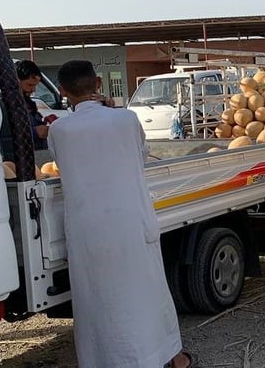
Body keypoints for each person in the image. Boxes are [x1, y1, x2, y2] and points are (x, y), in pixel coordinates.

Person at [47, 60, 193, 368]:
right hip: (131, 222)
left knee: (97, 300)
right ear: (98, 84)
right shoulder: (126, 119)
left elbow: (62, 165)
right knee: (146, 292)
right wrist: (110, 107)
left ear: (62, 91)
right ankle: (170, 358)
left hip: (89, 230)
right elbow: (139, 155)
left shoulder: (59, 130)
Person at [15, 59, 51, 150]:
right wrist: (35, 132)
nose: (33, 90)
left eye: (35, 85)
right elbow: (5, 135)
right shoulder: (3, 105)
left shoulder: (29, 103)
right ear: (16, 81)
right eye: (30, 85)